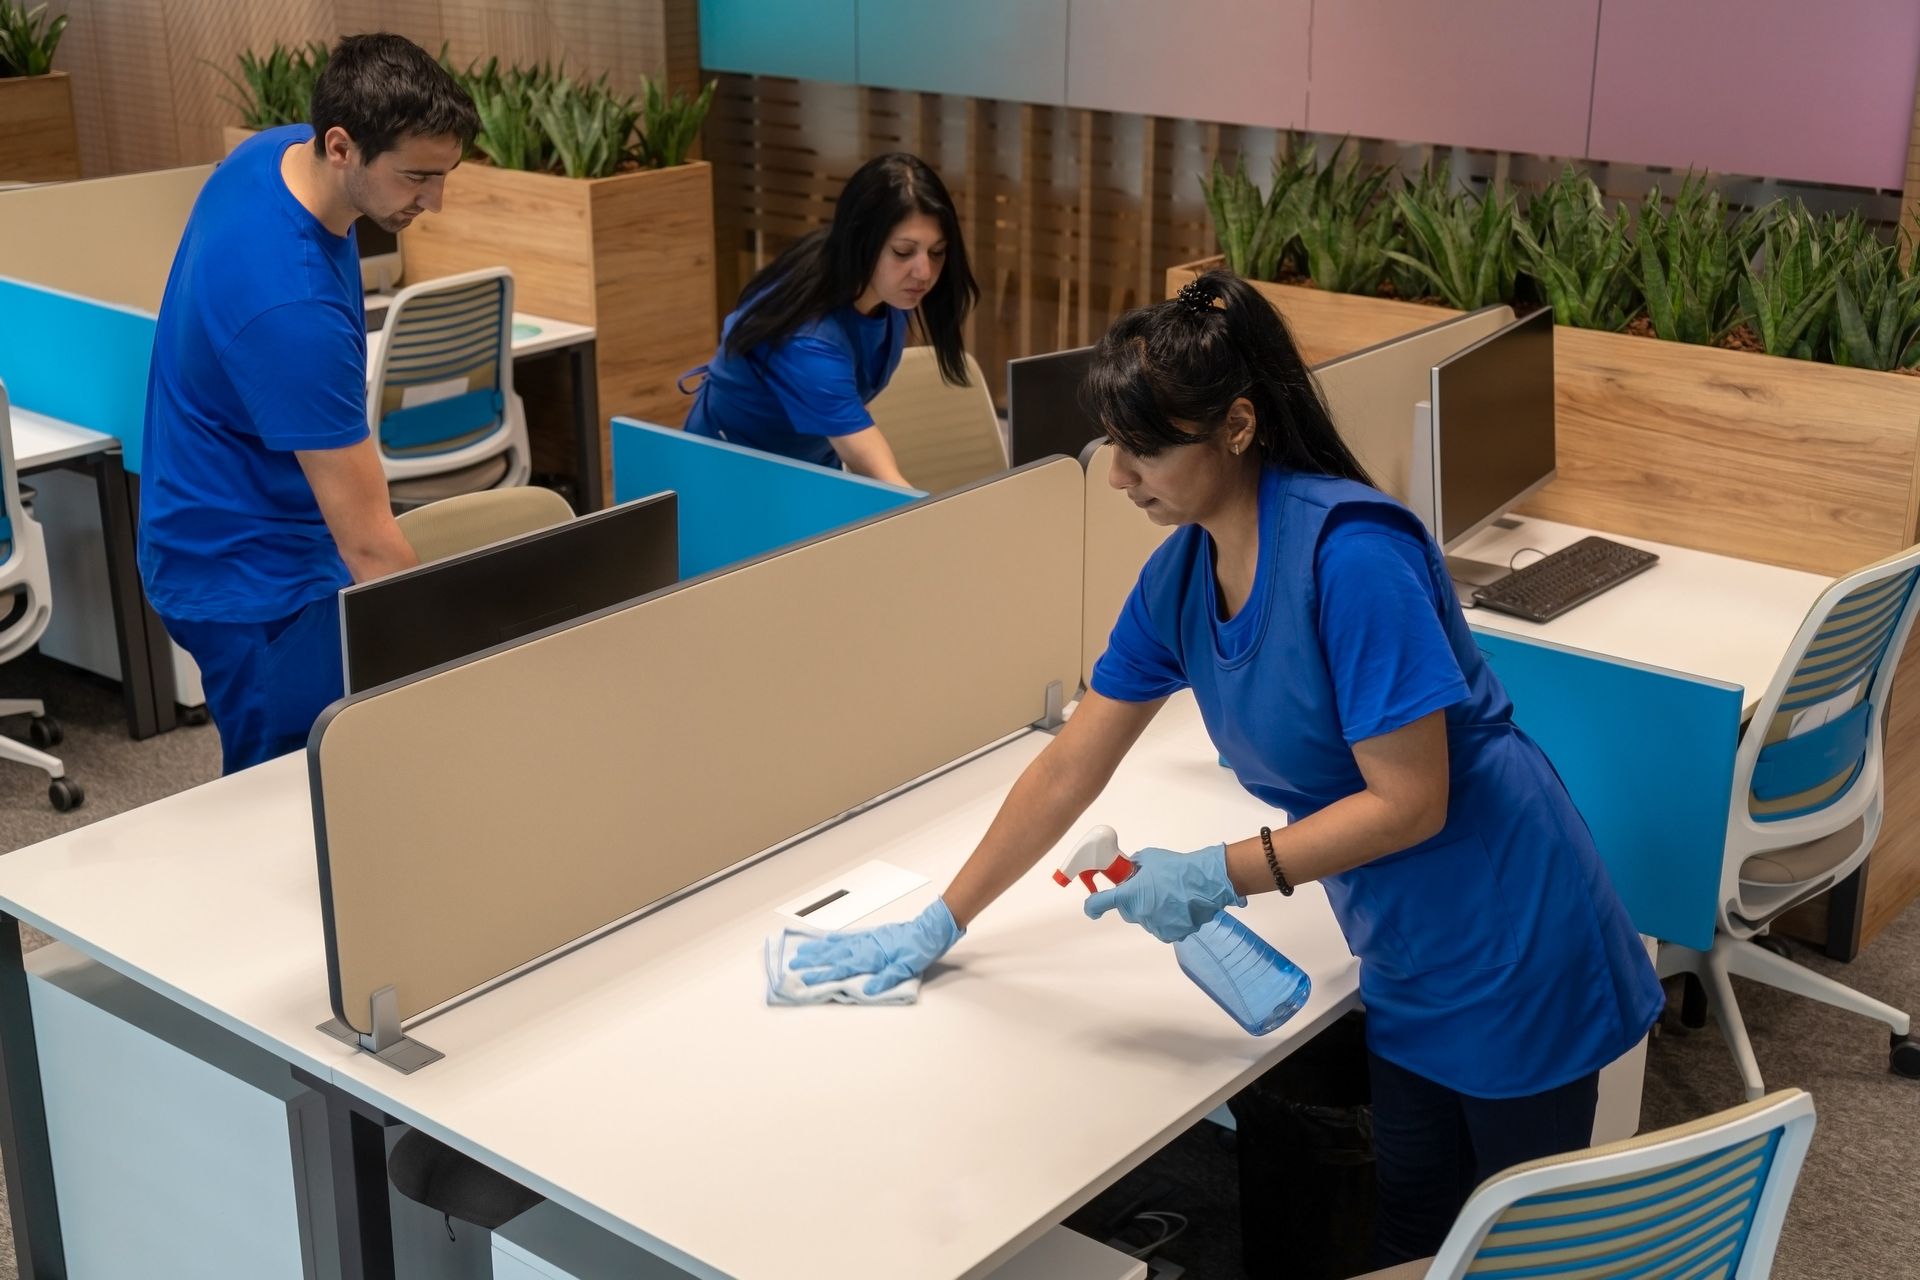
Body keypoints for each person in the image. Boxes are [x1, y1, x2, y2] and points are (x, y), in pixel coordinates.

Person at [788, 270, 1665, 1265]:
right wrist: (945, 917)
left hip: (1508, 927)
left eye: (1144, 447)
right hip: (1402, 942)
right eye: (1115, 446)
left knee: (1520, 1248)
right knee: (1414, 1229)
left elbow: (1414, 801)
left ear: (1238, 425)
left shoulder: (1350, 555)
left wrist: (1219, 871)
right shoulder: (1183, 574)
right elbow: (1069, 766)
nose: (1118, 476)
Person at [139, 34, 478, 774]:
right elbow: (368, 543)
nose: (435, 201)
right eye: (417, 177)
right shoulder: (291, 314)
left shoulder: (273, 157)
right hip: (251, 580)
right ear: (341, 147)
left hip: (236, 525)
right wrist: (458, 673)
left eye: (445, 175)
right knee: (287, 798)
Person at [682, 152, 978, 487]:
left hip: (808, 466)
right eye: (903, 252)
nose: (924, 272)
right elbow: (874, 467)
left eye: (937, 252)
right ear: (861, 242)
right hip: (731, 478)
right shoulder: (808, 339)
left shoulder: (878, 285)